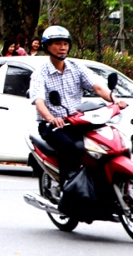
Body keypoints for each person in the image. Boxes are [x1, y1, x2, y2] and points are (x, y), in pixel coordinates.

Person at [28, 25, 126, 175]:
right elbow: (39, 101)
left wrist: (115, 100)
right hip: (53, 126)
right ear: (47, 46)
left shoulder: (76, 67)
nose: (62, 47)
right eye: (58, 43)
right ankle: (68, 188)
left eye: (65, 44)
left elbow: (98, 87)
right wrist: (51, 118)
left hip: (77, 122)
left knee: (103, 142)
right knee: (69, 148)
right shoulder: (40, 74)